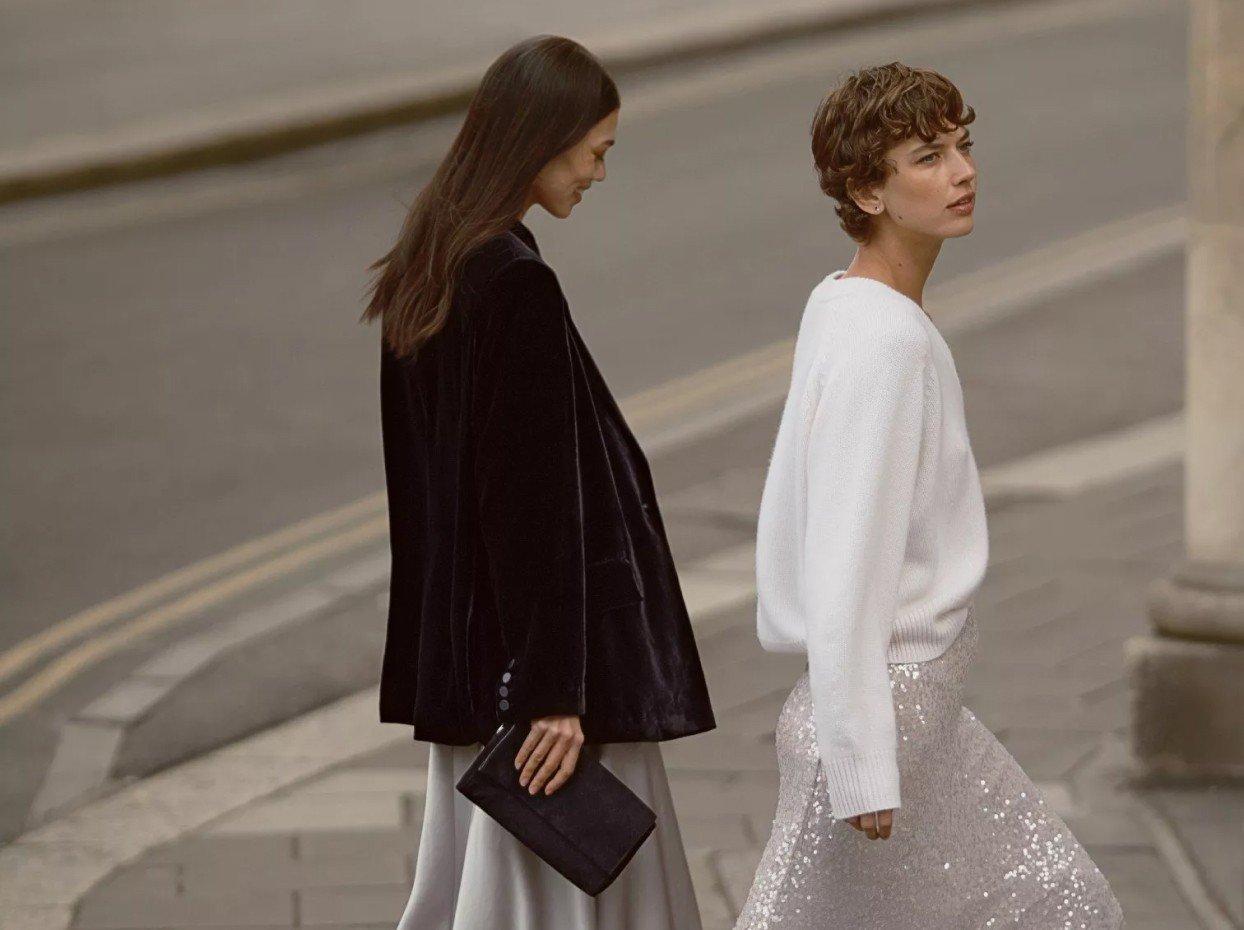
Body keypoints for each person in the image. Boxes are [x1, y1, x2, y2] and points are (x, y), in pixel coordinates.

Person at [734, 63, 1125, 927]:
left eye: (963, 145)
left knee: (1057, 902)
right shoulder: (884, 344)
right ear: (867, 192)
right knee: (1060, 906)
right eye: (927, 156)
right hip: (885, 718)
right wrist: (862, 755)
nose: (963, 171)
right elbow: (843, 561)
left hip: (914, 717)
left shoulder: (846, 304)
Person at [360, 34, 716, 930]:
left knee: (476, 899)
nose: (599, 173)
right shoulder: (514, 284)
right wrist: (555, 693)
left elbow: (436, 507)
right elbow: (531, 507)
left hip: (473, 671)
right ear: (541, 140)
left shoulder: (429, 268)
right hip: (544, 696)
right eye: (595, 152)